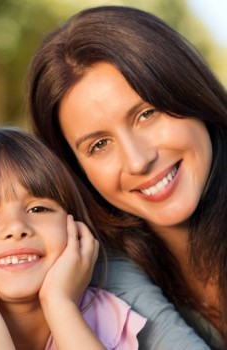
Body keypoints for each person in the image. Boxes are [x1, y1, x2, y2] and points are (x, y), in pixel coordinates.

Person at [27, 5, 227, 349]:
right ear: (76, 171)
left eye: (147, 114)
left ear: (190, 92)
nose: (138, 161)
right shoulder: (97, 282)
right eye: (99, 145)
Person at [0, 127, 146, 350]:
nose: (16, 228)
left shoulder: (109, 320)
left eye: (38, 209)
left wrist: (60, 304)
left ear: (75, 225)